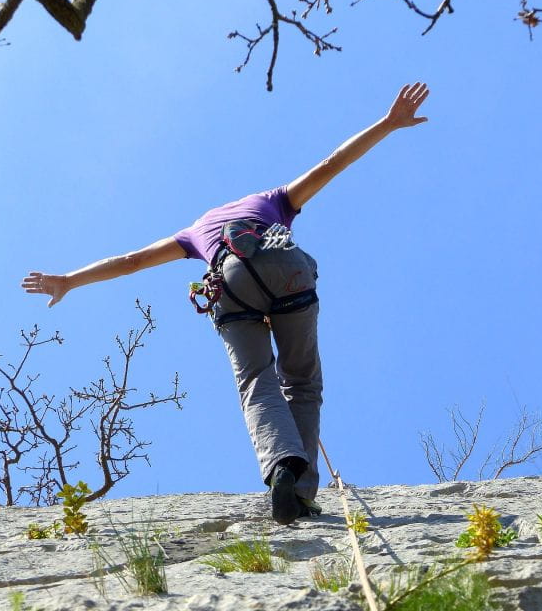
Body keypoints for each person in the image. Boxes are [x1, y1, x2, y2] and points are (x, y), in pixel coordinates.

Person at [22, 82, 430, 524]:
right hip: (283, 265)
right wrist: (388, 124)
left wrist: (68, 280)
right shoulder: (272, 200)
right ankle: (303, 492)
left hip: (228, 283)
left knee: (257, 381)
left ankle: (282, 469)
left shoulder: (195, 231)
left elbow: (131, 261)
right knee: (302, 383)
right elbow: (332, 165)